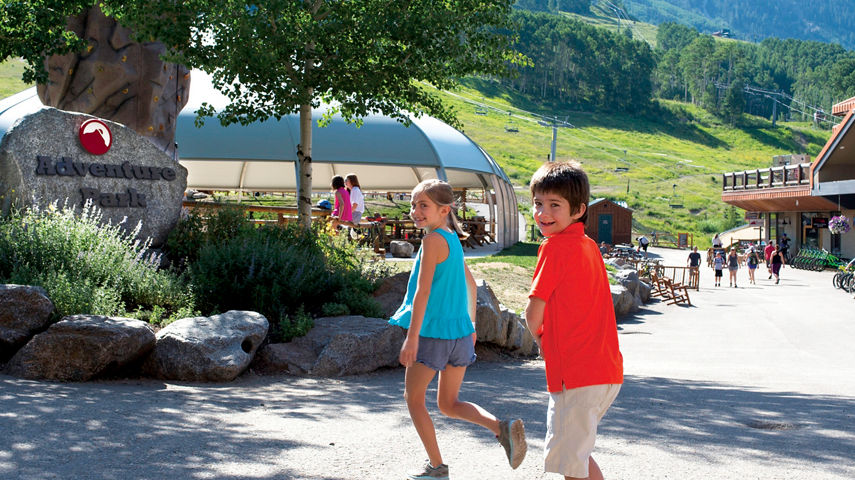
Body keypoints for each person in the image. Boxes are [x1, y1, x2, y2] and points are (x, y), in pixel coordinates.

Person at [389, 179, 527, 480]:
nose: (415, 211)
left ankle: (437, 467)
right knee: (449, 404)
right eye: (413, 205)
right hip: (460, 335)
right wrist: (472, 325)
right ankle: (501, 427)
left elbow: (422, 292)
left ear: (444, 209)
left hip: (432, 334)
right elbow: (471, 284)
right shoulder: (452, 239)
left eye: (423, 205)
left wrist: (411, 338)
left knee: (414, 399)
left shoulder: (431, 241)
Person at [523, 162, 623, 480]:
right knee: (577, 455)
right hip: (606, 372)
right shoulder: (589, 246)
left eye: (555, 205)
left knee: (571, 464)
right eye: (538, 203)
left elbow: (533, 311)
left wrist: (540, 337)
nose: (543, 212)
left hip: (576, 374)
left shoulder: (554, 247)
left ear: (579, 210)